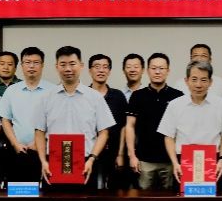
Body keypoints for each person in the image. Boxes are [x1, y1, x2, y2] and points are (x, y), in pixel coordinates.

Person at [34, 46, 116, 187]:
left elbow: (104, 132)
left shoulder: (95, 97)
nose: (68, 69)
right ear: (56, 67)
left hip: (86, 164)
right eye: (63, 64)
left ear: (81, 66)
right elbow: (39, 132)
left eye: (72, 64)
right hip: (53, 164)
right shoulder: (46, 98)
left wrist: (92, 159)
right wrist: (43, 161)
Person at [158, 60, 222, 186]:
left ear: (210, 82)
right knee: (184, 197)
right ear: (186, 81)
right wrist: (175, 163)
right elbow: (168, 136)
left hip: (213, 162)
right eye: (194, 79)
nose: (198, 85)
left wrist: (221, 160)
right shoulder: (175, 105)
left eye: (204, 80)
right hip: (183, 162)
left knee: (212, 197)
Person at [125, 52, 184, 190]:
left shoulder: (178, 96)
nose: (157, 72)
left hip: (170, 160)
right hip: (144, 160)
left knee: (170, 197)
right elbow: (129, 126)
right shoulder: (137, 96)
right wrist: (132, 155)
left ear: (168, 71)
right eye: (154, 68)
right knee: (143, 198)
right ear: (147, 70)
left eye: (161, 68)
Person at [0, 47, 53, 182]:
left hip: (45, 151)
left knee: (43, 191)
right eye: (27, 62)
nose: (31, 66)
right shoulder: (12, 90)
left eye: (36, 62)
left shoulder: (53, 90)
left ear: (42, 65)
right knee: (18, 190)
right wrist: (15, 143)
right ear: (21, 65)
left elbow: (56, 122)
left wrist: (39, 142)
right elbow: (5, 120)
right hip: (17, 150)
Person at [88, 53, 129, 189]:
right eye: (97, 66)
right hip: (88, 152)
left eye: (105, 67)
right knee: (90, 190)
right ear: (90, 70)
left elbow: (124, 127)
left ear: (109, 71)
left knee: (113, 191)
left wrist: (120, 154)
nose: (101, 70)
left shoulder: (118, 96)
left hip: (113, 153)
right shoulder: (83, 95)